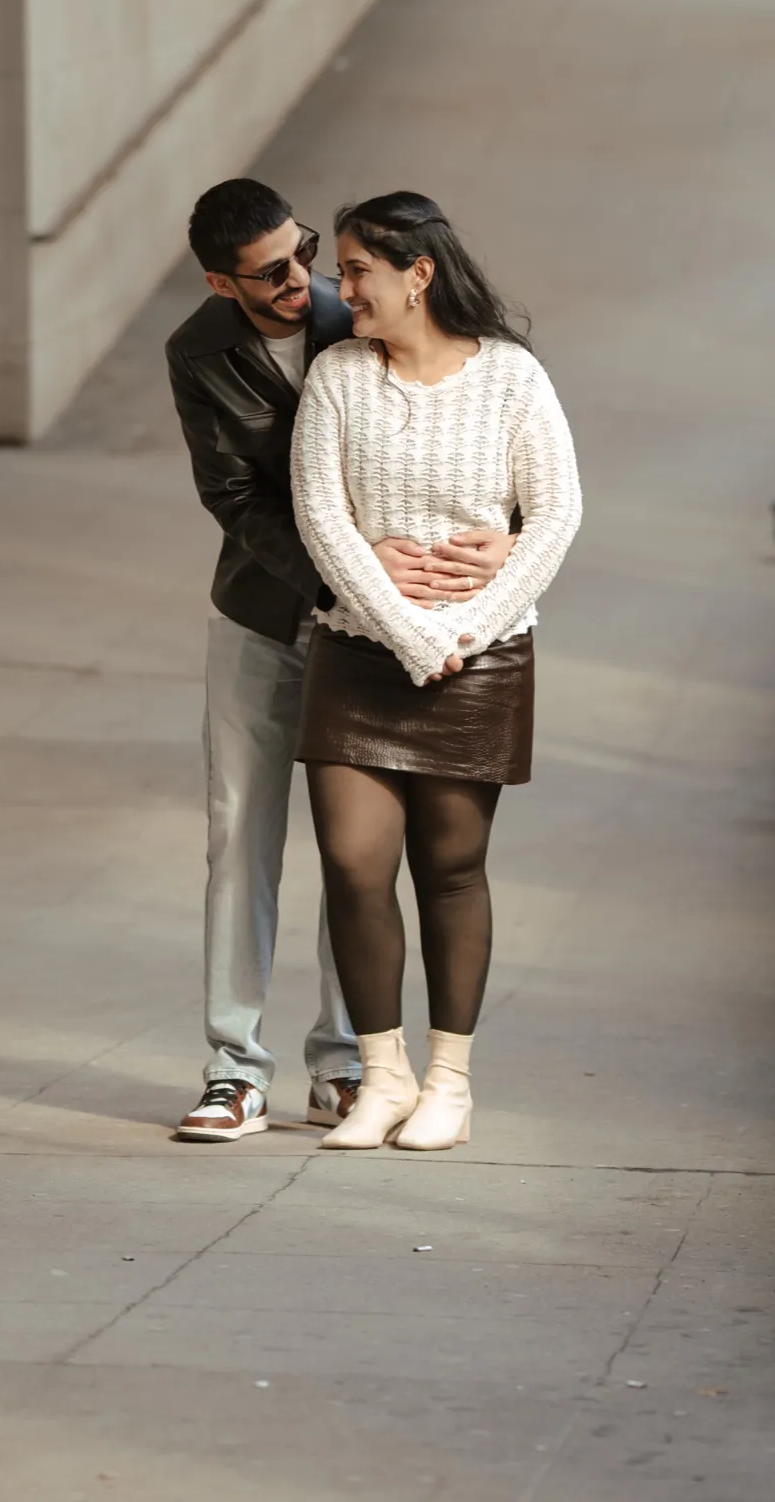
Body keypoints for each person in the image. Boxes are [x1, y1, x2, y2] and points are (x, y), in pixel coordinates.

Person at [165, 178, 517, 1142]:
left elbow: (471, 420)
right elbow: (233, 497)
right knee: (239, 835)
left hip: (372, 628)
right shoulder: (197, 350)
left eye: (306, 253)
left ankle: (346, 1064)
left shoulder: (362, 311)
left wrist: (509, 531)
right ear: (221, 282)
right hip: (262, 615)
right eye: (272, 272)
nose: (303, 280)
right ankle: (234, 1070)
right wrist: (345, 569)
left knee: (354, 847)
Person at [290, 191, 582, 1151]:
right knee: (352, 863)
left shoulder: (512, 378)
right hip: (359, 653)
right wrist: (408, 634)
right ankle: (382, 1079)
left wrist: (467, 631)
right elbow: (322, 519)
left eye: (357, 271)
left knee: (451, 870)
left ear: (417, 275)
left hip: (479, 660)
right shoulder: (336, 376)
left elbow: (556, 516)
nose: (342, 290)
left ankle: (449, 1085)